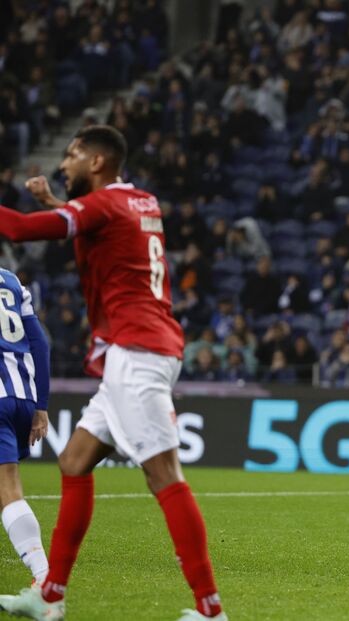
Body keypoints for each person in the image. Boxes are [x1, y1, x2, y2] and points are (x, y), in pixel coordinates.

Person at [0, 126, 225, 621]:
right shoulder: (141, 201)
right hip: (143, 346)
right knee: (76, 460)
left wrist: (50, 207)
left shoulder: (103, 206)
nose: (63, 164)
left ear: (97, 162)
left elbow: (17, 229)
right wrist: (57, 201)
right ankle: (50, 596)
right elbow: (99, 229)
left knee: (164, 476)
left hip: (137, 352)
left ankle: (211, 611)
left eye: (72, 155)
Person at [0, 268, 51, 591]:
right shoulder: (11, 281)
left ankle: (45, 579)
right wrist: (41, 404)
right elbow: (40, 343)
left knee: (8, 489)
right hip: (22, 395)